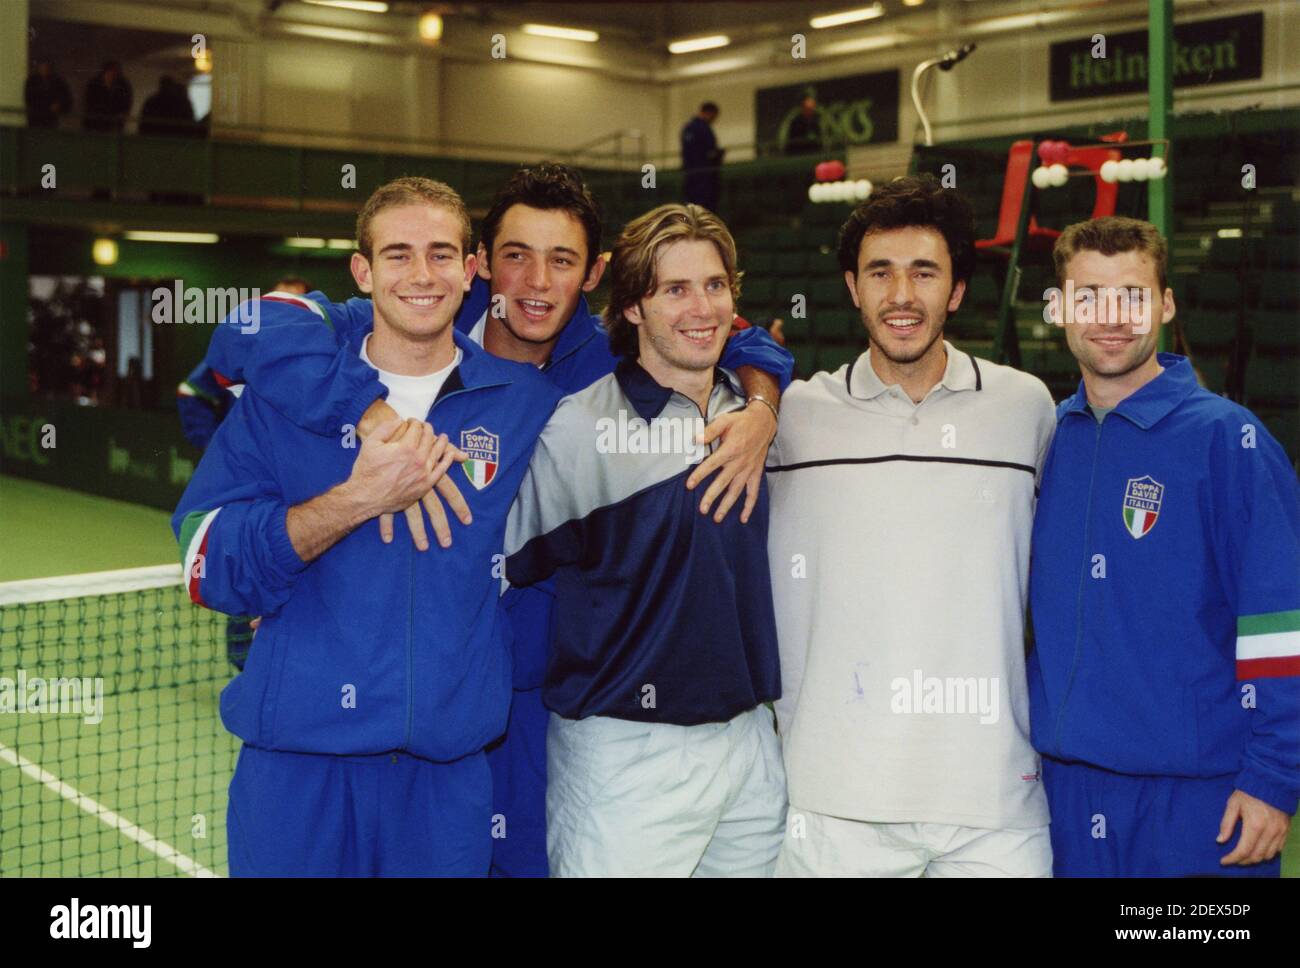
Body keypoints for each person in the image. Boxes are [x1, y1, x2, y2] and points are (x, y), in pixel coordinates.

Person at [197, 164, 793, 876]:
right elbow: (250, 326)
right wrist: (366, 426)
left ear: (596, 277)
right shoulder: (346, 344)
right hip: (317, 750)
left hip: (507, 718)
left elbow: (724, 331)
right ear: (483, 266)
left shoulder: (573, 386)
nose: (536, 282)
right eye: (516, 256)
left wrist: (760, 407)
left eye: (562, 261)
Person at [173, 177, 562, 876]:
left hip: (444, 786)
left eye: (443, 254)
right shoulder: (282, 396)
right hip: (298, 773)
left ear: (472, 269)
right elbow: (205, 562)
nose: (422, 275)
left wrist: (759, 385)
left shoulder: (525, 406)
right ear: (363, 271)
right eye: (398, 254)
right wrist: (355, 500)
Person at [768, 174, 1056, 877]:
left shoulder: (1027, 409)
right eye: (880, 273)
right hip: (832, 805)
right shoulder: (793, 418)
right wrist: (755, 389)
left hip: (995, 803)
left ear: (956, 290)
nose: (902, 296)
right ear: (852, 287)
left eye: (924, 273)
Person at [504, 203, 786, 876]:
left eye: (715, 285)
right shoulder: (578, 428)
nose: (702, 307)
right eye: (675, 290)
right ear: (632, 307)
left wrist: (764, 407)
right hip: (625, 758)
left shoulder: (755, 415)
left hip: (751, 743)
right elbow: (506, 566)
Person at [1028, 215, 1298, 877]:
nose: (1111, 316)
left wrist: (1274, 776)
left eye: (1134, 295)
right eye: (1088, 295)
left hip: (1201, 805)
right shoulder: (1043, 441)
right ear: (1060, 307)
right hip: (1063, 800)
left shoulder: (1226, 440)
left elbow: (1279, 625)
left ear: (1167, 304)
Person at [177, 276, 312, 672]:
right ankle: (246, 662)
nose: (290, 310)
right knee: (248, 558)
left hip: (301, 482)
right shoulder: (245, 348)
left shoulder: (320, 352)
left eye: (300, 303)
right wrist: (215, 448)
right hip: (252, 484)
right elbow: (191, 392)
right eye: (282, 301)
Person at [681, 101, 724, 213]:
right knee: (704, 209)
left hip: (692, 176)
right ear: (709, 113)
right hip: (704, 176)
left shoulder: (688, 128)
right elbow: (709, 152)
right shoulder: (702, 129)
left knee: (693, 208)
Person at [83, 61, 132, 133]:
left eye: (115, 72)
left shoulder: (123, 85)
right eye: (110, 71)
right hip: (95, 123)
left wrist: (122, 114)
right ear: (105, 72)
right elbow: (90, 102)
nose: (112, 75)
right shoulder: (94, 84)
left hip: (114, 125)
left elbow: (127, 103)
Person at [24, 61, 72, 129]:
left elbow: (65, 96)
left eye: (46, 67)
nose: (43, 70)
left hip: (51, 117)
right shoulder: (32, 81)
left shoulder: (57, 81)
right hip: (35, 116)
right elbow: (29, 98)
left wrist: (58, 104)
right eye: (42, 67)